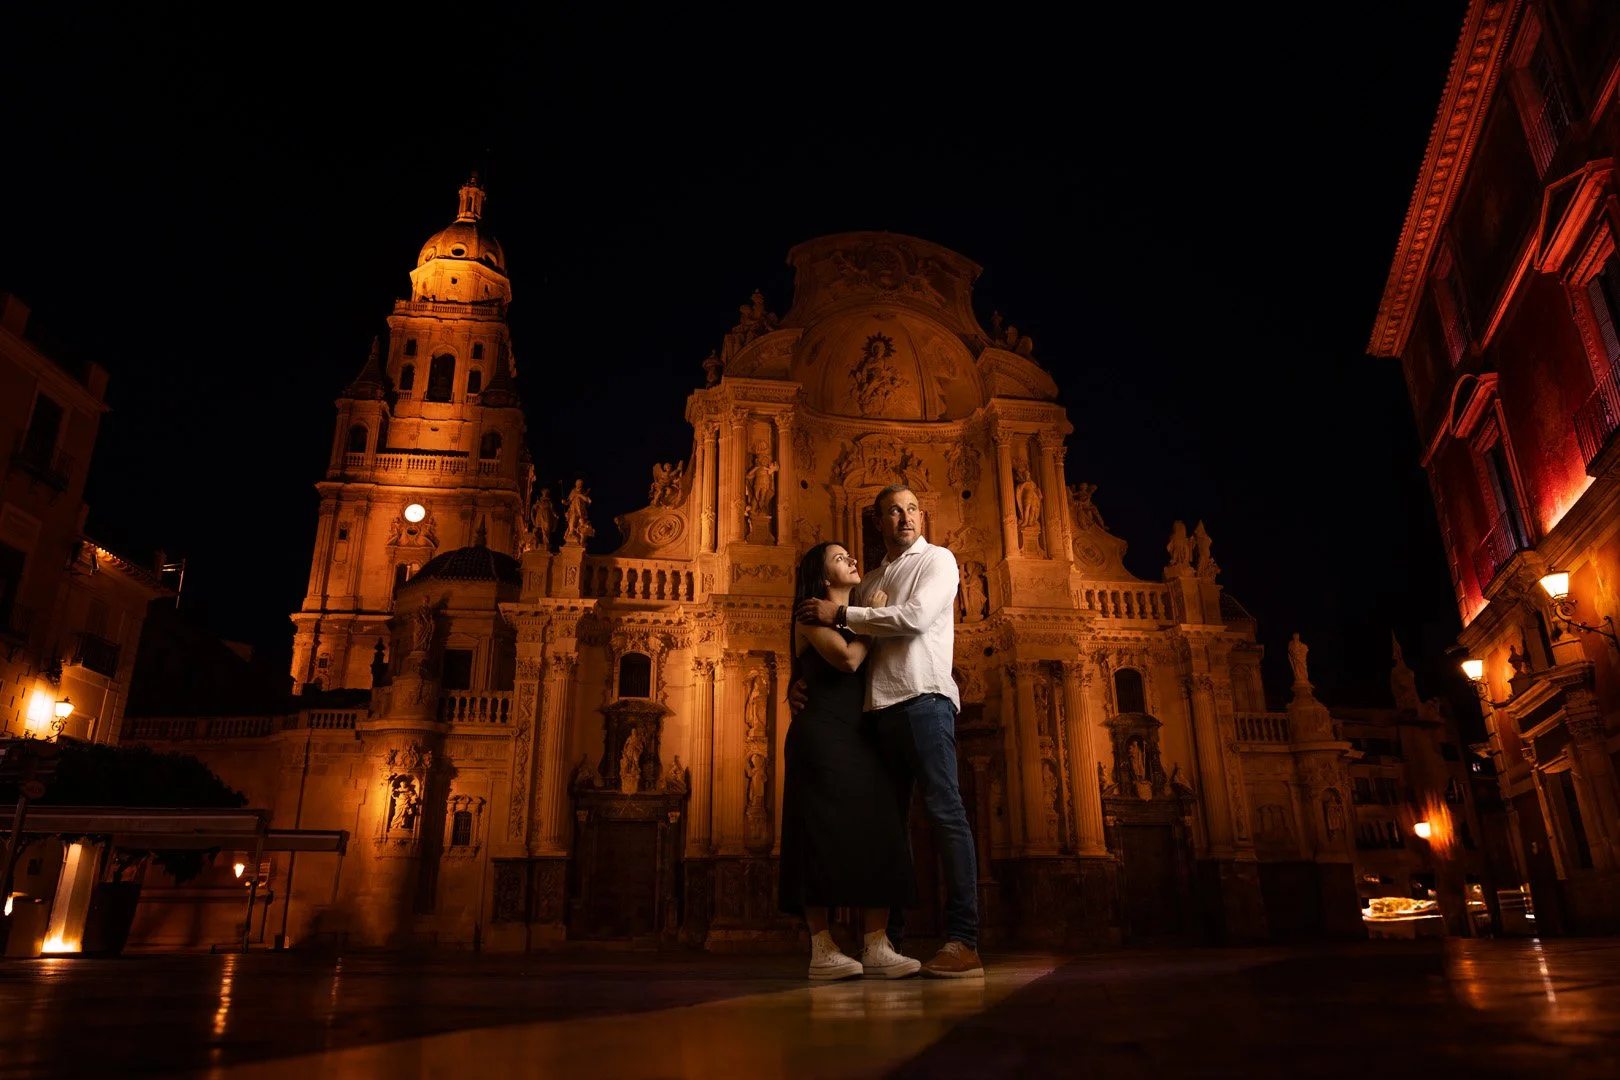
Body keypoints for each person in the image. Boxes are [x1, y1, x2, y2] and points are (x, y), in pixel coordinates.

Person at [795, 483, 984, 979]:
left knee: (946, 815)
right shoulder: (869, 579)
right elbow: (838, 644)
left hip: (924, 699)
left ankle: (963, 940)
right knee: (887, 832)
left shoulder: (937, 561)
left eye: (912, 509)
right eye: (893, 512)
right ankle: (887, 944)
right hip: (875, 713)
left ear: (922, 516)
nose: (904, 517)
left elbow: (915, 618)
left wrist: (843, 613)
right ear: (877, 523)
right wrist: (803, 677)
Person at [779, 541, 919, 981]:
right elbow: (847, 659)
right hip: (821, 734)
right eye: (840, 559)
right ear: (822, 579)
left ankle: (876, 945)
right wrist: (871, 621)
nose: (852, 561)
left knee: (880, 826)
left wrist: (865, 617)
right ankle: (821, 949)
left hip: (861, 735)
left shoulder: (856, 611)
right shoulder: (808, 611)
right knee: (816, 833)